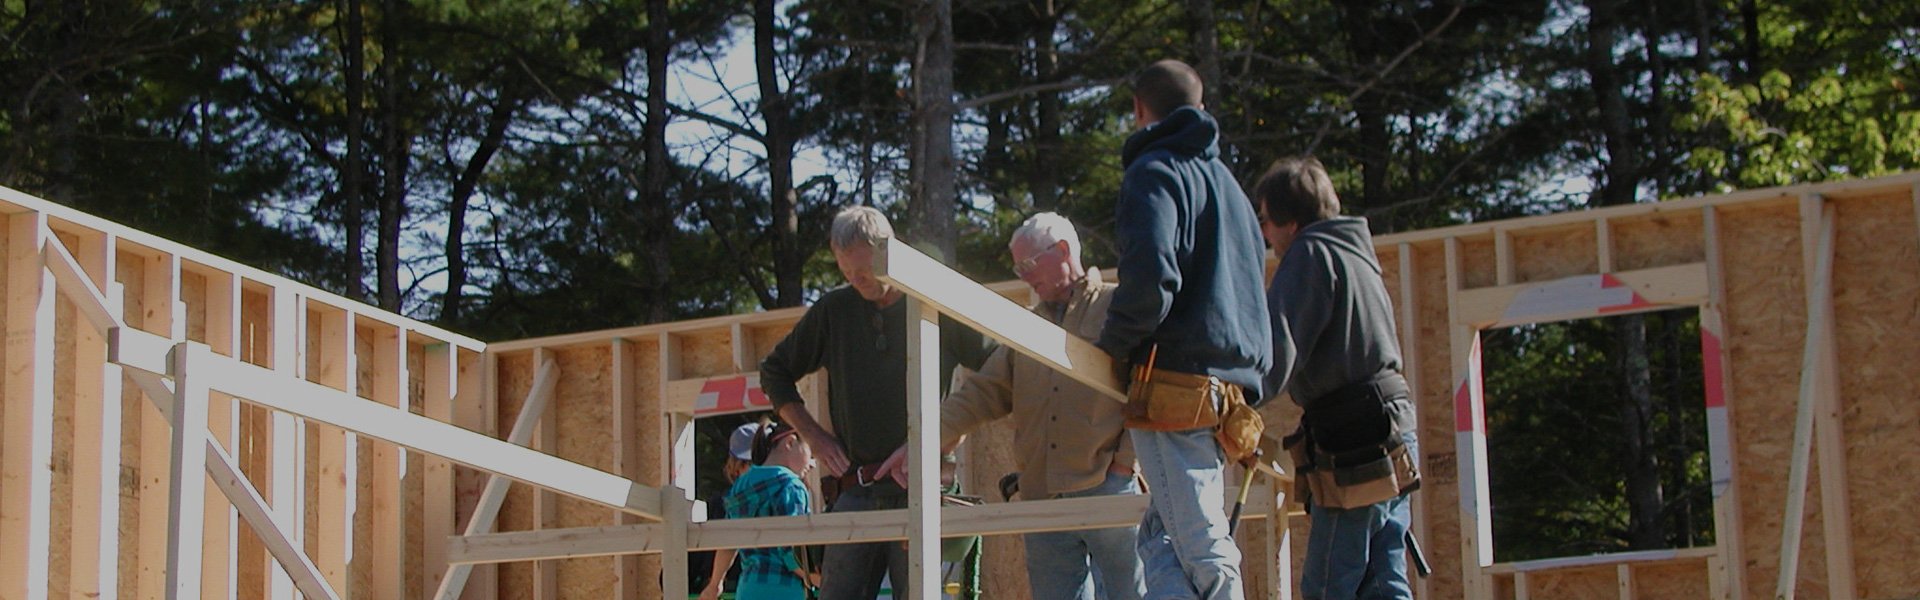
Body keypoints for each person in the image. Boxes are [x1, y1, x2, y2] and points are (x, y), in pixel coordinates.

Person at [1097, 59, 1272, 600]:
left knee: (1200, 544)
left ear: (1138, 109)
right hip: (1226, 392)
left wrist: (1113, 348)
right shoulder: (1231, 190)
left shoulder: (1155, 172)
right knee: (1162, 536)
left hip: (1175, 385)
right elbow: (1251, 292)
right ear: (1201, 107)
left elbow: (1151, 279)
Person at [759, 205, 992, 600]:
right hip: (856, 486)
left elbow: (997, 374)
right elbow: (774, 372)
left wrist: (946, 435)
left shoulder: (934, 303)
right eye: (846, 270)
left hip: (922, 484)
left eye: (864, 269)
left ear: (889, 251)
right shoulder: (834, 311)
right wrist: (814, 437)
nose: (856, 279)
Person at [937, 213, 1146, 600]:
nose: (1024, 276)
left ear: (1064, 250)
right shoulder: (1026, 329)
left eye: (1029, 264)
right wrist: (921, 439)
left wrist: (1124, 464)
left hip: (1106, 485)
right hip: (1041, 494)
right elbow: (983, 391)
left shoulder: (1116, 307)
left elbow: (1146, 388)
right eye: (1018, 268)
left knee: (1130, 594)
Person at [1253, 156, 1420, 600]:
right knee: (1383, 579)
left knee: (1330, 584)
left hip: (1356, 437)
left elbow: (1277, 348)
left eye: (1265, 220)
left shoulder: (1308, 254)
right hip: (1392, 426)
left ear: (1290, 221)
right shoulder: (1354, 251)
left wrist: (1233, 401)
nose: (1264, 233)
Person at [724, 420, 818, 599]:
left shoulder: (740, 486)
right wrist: (818, 579)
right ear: (790, 442)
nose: (812, 462)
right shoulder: (791, 485)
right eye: (810, 450)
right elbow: (792, 551)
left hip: (747, 587)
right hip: (784, 588)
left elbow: (728, 538)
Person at [696, 422, 764, 600]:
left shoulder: (784, 495)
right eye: (750, 463)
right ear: (736, 466)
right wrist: (714, 584)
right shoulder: (722, 505)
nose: (757, 470)